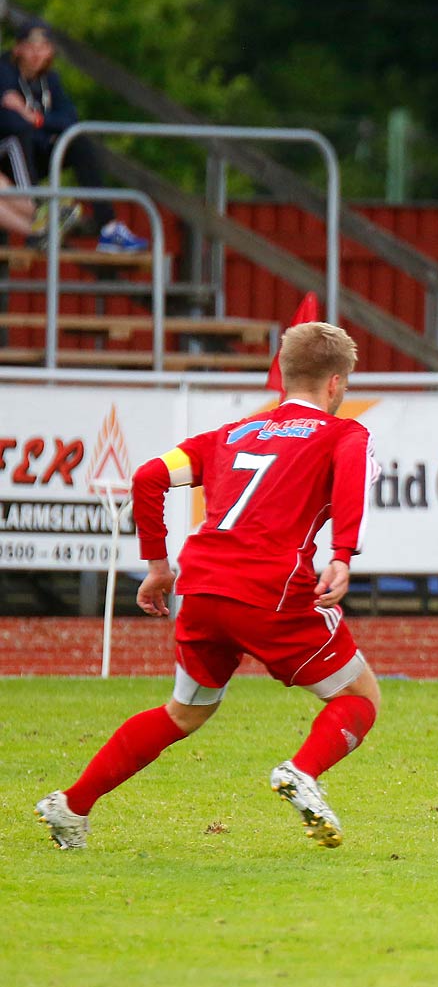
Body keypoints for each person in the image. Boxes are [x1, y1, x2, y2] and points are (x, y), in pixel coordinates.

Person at [34, 322, 380, 850]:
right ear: (336, 384)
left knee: (185, 711)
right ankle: (302, 772)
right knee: (359, 696)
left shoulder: (230, 435)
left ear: (284, 375)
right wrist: (342, 555)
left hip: (201, 588)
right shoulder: (344, 434)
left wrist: (156, 565)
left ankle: (71, 805)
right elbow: (355, 473)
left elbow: (148, 476)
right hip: (271, 590)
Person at [0, 21, 148, 252]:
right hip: (9, 153)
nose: (37, 53)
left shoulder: (50, 80)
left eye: (43, 47)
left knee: (78, 142)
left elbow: (70, 119)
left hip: (35, 152)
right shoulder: (5, 71)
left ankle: (107, 228)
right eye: (31, 47)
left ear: (51, 51)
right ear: (18, 49)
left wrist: (37, 119)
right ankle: (41, 212)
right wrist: (34, 123)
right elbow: (10, 121)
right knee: (19, 135)